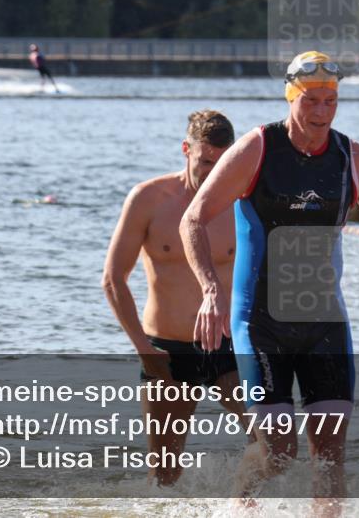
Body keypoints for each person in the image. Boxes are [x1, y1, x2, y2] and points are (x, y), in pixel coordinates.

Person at [179, 51, 359, 509]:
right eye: (311, 100)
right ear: (291, 96)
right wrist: (211, 292)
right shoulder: (256, 149)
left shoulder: (354, 158)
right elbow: (193, 221)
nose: (321, 111)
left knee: (330, 456)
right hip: (260, 320)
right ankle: (239, 502)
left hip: (323, 321)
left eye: (330, 101)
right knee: (279, 451)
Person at [101, 110, 246, 486]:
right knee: (164, 472)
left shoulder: (243, 202)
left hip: (228, 346)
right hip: (165, 352)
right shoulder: (149, 199)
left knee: (273, 441)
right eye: (205, 162)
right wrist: (141, 348)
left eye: (222, 163)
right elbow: (114, 279)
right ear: (187, 150)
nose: (213, 173)